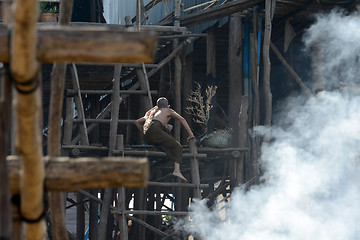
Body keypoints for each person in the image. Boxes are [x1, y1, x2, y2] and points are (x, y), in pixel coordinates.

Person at [135, 97, 195, 182]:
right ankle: (177, 171)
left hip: (147, 136)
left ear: (157, 106)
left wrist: (146, 133)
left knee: (166, 132)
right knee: (178, 147)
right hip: (156, 129)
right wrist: (190, 134)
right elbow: (182, 119)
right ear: (167, 106)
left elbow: (137, 122)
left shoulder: (152, 112)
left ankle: (169, 157)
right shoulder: (168, 110)